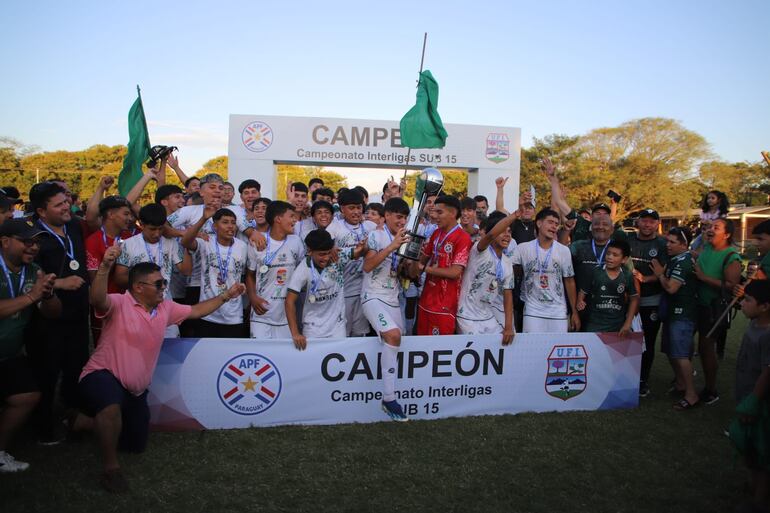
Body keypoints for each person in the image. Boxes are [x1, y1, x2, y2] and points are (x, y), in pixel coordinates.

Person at [77, 252, 245, 492]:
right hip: (102, 374)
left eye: (164, 282)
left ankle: (82, 422)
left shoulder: (165, 308)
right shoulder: (120, 302)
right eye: (158, 284)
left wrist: (227, 295)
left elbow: (196, 311)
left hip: (135, 390)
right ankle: (111, 470)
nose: (163, 287)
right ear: (138, 287)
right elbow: (97, 300)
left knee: (135, 444)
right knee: (110, 406)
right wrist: (104, 267)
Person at [28, 181, 90, 444]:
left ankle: (73, 420)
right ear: (42, 212)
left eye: (66, 201)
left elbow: (97, 216)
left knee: (76, 368)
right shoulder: (32, 237)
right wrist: (62, 283)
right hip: (47, 319)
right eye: (59, 204)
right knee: (47, 372)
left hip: (77, 315)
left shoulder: (73, 225)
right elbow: (30, 277)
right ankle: (42, 428)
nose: (67, 207)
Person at [0, 219, 60, 472]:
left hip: (9, 355)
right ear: (4, 242)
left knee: (28, 396)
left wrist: (47, 296)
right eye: (27, 241)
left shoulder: (34, 270)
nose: (33, 247)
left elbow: (53, 313)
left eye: (36, 242)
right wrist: (32, 296)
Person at [361, 197, 412, 421]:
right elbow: (368, 265)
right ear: (387, 216)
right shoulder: (376, 235)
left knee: (395, 340)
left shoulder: (407, 239)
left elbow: (409, 275)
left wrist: (413, 261)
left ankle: (388, 397)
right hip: (372, 296)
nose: (402, 222)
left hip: (393, 299)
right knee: (393, 335)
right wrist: (393, 246)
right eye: (398, 217)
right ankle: (389, 398)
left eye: (405, 218)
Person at [115, 204, 190, 336]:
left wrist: (187, 246)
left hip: (165, 301)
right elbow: (119, 277)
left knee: (170, 347)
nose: (157, 234)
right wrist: (144, 284)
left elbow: (186, 270)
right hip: (138, 304)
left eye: (161, 229)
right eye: (152, 229)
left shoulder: (171, 242)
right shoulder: (128, 244)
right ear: (141, 224)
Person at [286, 229, 364, 346]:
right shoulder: (302, 270)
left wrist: (363, 245)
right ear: (310, 251)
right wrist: (295, 333)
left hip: (337, 327)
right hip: (313, 329)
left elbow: (361, 251)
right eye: (321, 254)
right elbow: (289, 301)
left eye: (328, 252)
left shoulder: (337, 255)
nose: (326, 258)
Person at [693, 218, 742, 405]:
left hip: (713, 309)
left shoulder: (732, 256)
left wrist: (703, 278)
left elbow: (732, 286)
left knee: (706, 348)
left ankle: (711, 389)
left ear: (727, 234)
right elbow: (699, 259)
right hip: (698, 305)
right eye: (709, 226)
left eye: (716, 227)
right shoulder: (706, 248)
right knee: (695, 346)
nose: (710, 229)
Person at [731, 280, 770, 512]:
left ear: (764, 306)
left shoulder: (767, 334)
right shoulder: (754, 324)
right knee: (749, 446)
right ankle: (753, 485)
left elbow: (768, 369)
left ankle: (760, 501)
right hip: (745, 394)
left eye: (747, 300)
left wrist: (754, 400)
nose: (742, 304)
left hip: (758, 402)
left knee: (762, 451)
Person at [180, 208, 249, 338]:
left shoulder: (242, 246)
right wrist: (203, 219)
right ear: (215, 226)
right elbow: (185, 242)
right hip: (208, 315)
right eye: (225, 222)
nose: (230, 226)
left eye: (233, 223)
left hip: (233, 315)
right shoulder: (206, 242)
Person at [651, 227, 699, 409]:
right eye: (667, 241)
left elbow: (671, 288)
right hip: (673, 312)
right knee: (672, 352)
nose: (667, 245)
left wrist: (660, 275)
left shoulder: (682, 262)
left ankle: (691, 394)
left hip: (682, 314)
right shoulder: (677, 259)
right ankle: (680, 384)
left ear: (683, 244)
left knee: (680, 355)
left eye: (672, 242)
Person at [410, 195, 472, 336]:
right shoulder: (436, 233)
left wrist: (424, 268)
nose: (435, 216)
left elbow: (455, 272)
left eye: (439, 212)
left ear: (453, 213)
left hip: (445, 305)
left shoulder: (463, 238)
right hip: (426, 300)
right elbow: (421, 262)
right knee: (422, 346)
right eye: (434, 212)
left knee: (439, 350)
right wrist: (412, 259)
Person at [512, 208, 579, 333]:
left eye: (556, 224)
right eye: (550, 222)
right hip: (533, 311)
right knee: (533, 348)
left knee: (556, 349)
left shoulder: (563, 251)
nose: (554, 226)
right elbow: (511, 272)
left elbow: (569, 282)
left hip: (558, 311)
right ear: (539, 223)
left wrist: (574, 312)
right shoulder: (523, 249)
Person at [456, 210, 517, 343]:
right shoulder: (479, 250)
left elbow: (508, 296)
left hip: (487, 317)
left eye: (509, 231)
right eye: (503, 231)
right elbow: (489, 236)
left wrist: (508, 327)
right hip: (467, 316)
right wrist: (515, 215)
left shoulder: (507, 263)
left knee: (502, 348)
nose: (507, 235)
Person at [245, 201, 304, 339]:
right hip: (262, 314)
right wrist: (253, 298)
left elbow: (304, 270)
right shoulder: (257, 241)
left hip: (286, 317)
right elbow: (249, 274)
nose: (295, 220)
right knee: (261, 357)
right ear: (278, 219)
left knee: (283, 360)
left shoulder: (296, 241)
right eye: (291, 216)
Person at [628, 208, 668, 397]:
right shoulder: (629, 240)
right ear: (638, 222)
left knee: (648, 341)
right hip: (627, 299)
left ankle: (643, 380)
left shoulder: (662, 243)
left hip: (651, 299)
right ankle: (625, 376)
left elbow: (663, 272)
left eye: (652, 221)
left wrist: (645, 278)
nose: (647, 224)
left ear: (657, 224)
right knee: (627, 338)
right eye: (644, 220)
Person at [326, 189, 377, 337]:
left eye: (359, 207)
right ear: (342, 209)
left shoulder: (370, 227)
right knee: (343, 333)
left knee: (360, 333)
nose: (356, 212)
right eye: (351, 208)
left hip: (364, 291)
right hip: (342, 292)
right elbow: (322, 246)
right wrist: (330, 247)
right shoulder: (335, 227)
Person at [577, 239, 638, 335]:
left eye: (615, 255)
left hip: (617, 325)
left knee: (614, 349)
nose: (610, 257)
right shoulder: (595, 272)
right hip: (594, 324)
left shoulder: (627, 275)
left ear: (624, 259)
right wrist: (580, 301)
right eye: (608, 253)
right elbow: (583, 292)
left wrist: (627, 323)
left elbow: (634, 299)